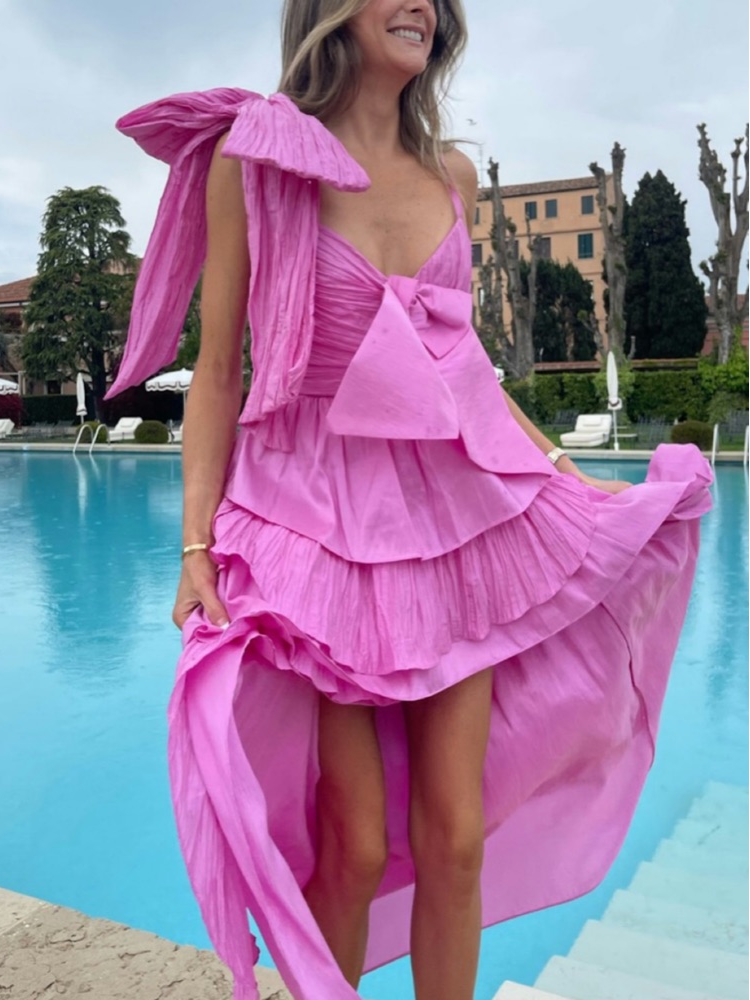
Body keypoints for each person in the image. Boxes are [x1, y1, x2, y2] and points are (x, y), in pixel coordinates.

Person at [105, 2, 712, 998]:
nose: (422, 5)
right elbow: (217, 375)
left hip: (452, 523)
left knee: (456, 837)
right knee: (349, 842)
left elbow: (459, 367)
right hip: (313, 522)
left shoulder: (451, 177)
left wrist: (562, 471)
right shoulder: (254, 163)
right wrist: (194, 550)